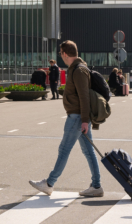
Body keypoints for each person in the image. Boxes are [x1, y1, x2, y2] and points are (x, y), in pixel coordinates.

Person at [29, 41, 103, 198]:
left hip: (77, 117)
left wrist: (84, 120)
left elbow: (84, 97)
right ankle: (96, 186)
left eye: (60, 53)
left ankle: (49, 183)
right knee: (88, 151)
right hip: (79, 117)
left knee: (64, 149)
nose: (60, 56)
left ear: (64, 54)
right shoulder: (77, 68)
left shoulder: (78, 70)